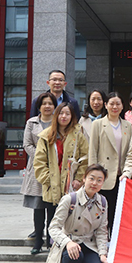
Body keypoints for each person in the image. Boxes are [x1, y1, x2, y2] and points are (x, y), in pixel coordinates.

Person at [46, 164, 109, 263]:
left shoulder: (102, 202)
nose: (95, 183)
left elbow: (101, 231)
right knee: (74, 256)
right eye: (91, 178)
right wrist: (67, 242)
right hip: (70, 241)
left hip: (89, 243)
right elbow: (53, 227)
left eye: (99, 180)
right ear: (84, 178)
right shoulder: (70, 199)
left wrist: (103, 253)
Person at [34, 102, 89, 250]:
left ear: (72, 116)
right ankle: (52, 249)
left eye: (67, 114)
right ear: (56, 115)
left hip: (71, 185)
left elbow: (85, 158)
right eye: (61, 113)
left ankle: (69, 248)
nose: (64, 116)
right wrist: (49, 180)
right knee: (53, 218)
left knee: (71, 217)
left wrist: (78, 179)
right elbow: (39, 162)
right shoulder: (46, 136)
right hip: (51, 185)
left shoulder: (78, 134)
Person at [89, 92, 132, 232]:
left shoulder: (127, 125)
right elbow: (93, 150)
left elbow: (130, 151)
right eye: (111, 103)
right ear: (106, 105)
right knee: (102, 212)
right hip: (103, 176)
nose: (115, 107)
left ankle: (113, 239)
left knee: (117, 212)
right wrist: (93, 175)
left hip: (121, 176)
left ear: (122, 106)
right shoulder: (98, 124)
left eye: (118, 104)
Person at [21, 92, 58, 254]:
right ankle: (38, 240)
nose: (47, 106)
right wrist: (42, 156)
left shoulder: (58, 122)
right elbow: (27, 144)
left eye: (50, 103)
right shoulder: (32, 122)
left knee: (52, 207)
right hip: (37, 167)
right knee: (38, 207)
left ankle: (51, 240)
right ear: (39, 106)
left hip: (55, 168)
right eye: (44, 103)